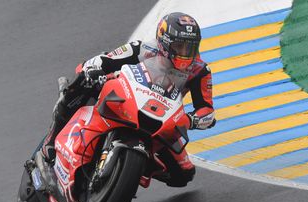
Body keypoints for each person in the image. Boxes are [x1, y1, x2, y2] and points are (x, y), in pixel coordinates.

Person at [41, 12, 215, 187]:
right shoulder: (142, 48)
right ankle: (51, 139)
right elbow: (106, 59)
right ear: (165, 43)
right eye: (180, 46)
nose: (185, 53)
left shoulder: (200, 71)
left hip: (161, 115)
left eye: (190, 48)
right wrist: (93, 70)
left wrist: (192, 120)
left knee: (184, 174)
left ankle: (136, 167)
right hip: (124, 95)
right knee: (83, 83)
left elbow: (207, 110)